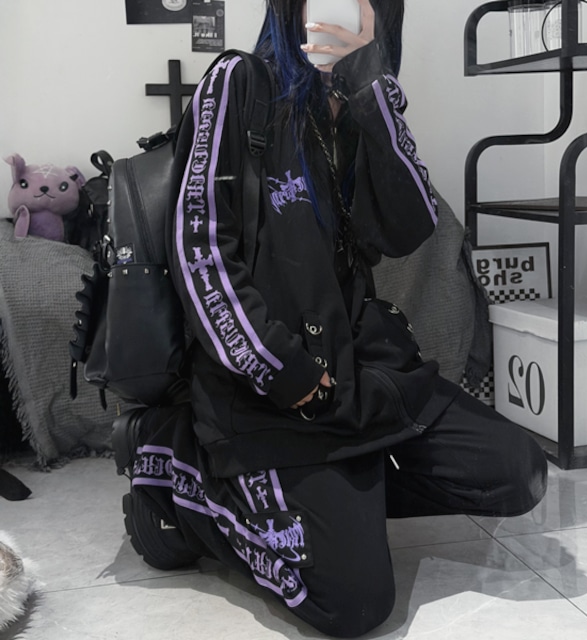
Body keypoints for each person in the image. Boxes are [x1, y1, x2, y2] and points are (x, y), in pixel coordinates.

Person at [112, 0, 548, 637]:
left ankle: (341, 500)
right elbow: (199, 249)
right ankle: (170, 463)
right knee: (354, 604)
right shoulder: (238, 83)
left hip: (361, 367)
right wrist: (281, 370)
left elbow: (408, 227)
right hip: (269, 387)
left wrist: (371, 89)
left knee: (516, 472)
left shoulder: (361, 102)